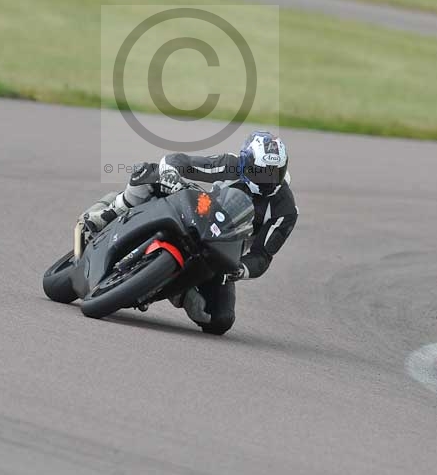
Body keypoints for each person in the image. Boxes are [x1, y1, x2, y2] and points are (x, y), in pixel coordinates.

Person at [78, 131, 299, 334]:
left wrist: (240, 270)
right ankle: (110, 212)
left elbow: (262, 256)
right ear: (244, 162)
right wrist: (173, 176)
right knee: (150, 172)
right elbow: (179, 161)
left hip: (223, 251)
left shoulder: (285, 208)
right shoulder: (230, 165)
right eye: (259, 171)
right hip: (199, 214)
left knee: (219, 321)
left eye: (274, 172)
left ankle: (181, 291)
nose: (266, 178)